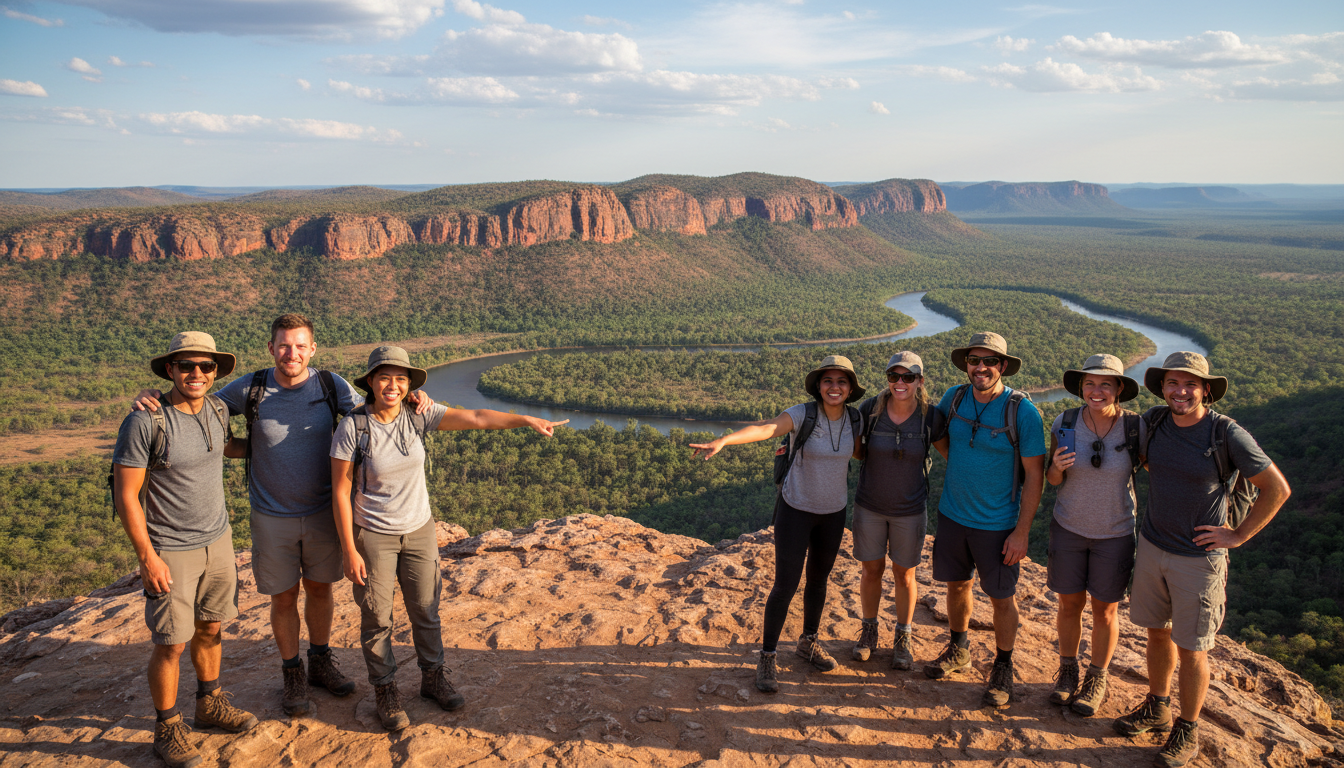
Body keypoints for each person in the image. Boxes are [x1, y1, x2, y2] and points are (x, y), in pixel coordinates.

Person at [134, 314, 434, 715]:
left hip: (323, 510)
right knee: (284, 596)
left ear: (312, 349)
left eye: (300, 345)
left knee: (321, 589)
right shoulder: (251, 387)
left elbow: (379, 409)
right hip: (271, 513)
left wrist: (415, 397)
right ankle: (293, 672)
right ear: (271, 349)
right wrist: (153, 394)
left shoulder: (332, 386)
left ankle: (321, 661)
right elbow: (199, 411)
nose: (291, 353)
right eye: (284, 345)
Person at [330, 346, 567, 731]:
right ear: (370, 382)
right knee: (376, 615)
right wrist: (349, 549)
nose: (393, 385)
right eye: (385, 377)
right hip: (373, 533)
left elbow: (475, 416)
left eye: (401, 379)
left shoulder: (418, 415)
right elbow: (339, 491)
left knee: (426, 607)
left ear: (409, 385)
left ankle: (432, 677)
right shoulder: (353, 428)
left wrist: (525, 419)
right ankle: (385, 689)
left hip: (419, 529)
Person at [1113, 352, 1290, 768]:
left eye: (1190, 384)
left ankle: (1186, 729)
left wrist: (1238, 535)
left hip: (1199, 558)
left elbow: (1277, 489)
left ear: (1206, 389)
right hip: (1154, 547)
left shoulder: (1225, 432)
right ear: (1163, 388)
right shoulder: (1155, 423)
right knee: (1156, 633)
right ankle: (1157, 707)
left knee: (1192, 648)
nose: (1181, 391)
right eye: (1173, 383)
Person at [112, 332, 257, 768]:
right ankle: (168, 726)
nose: (197, 374)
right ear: (170, 370)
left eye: (206, 367)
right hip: (170, 548)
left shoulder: (215, 409)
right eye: (187, 366)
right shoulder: (146, 421)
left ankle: (209, 703)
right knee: (171, 642)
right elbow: (126, 495)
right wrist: (147, 556)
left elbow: (226, 447)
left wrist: (283, 446)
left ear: (216, 372)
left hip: (218, 540)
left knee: (211, 627)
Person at [690, 355, 865, 694]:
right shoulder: (803, 414)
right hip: (795, 510)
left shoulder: (855, 419)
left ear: (850, 388)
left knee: (818, 581)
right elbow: (768, 428)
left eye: (841, 382)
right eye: (828, 381)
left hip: (833, 513)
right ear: (818, 386)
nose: (834, 387)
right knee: (786, 585)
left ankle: (808, 642)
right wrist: (725, 440)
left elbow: (863, 453)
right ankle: (768, 655)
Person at [924, 331, 1046, 709]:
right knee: (957, 586)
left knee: (1001, 597)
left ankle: (1003, 665)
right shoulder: (955, 397)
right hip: (953, 514)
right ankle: (958, 649)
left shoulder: (1022, 412)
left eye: (989, 361)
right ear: (967, 365)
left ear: (1003, 366)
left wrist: (1021, 532)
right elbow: (941, 439)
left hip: (998, 523)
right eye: (974, 361)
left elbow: (1035, 477)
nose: (981, 367)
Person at [1043, 354, 1143, 717]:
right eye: (1089, 383)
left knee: (1105, 610)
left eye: (1105, 384)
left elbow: (1155, 470)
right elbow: (1052, 481)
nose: (1096, 391)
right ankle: (1068, 671)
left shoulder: (1135, 428)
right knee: (1069, 605)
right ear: (1081, 387)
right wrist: (1055, 468)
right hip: (1069, 526)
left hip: (1114, 533)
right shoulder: (1065, 421)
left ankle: (1096, 677)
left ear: (1119, 388)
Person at [851, 351, 946, 670]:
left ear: (920, 381)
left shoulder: (931, 418)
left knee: (905, 574)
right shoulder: (871, 410)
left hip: (910, 510)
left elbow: (953, 456)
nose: (900, 383)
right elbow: (858, 453)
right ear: (888, 379)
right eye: (895, 376)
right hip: (870, 507)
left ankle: (902, 638)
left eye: (908, 377)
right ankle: (869, 632)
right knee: (871, 571)